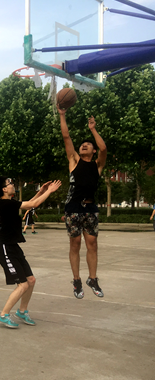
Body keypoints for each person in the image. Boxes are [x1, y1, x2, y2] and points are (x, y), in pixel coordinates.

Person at [0, 178, 62, 328]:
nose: (12, 185)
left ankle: (22, 311)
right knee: (22, 285)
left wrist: (41, 191)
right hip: (5, 249)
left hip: (14, 247)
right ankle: (3, 315)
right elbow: (33, 205)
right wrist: (49, 191)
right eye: (10, 184)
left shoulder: (9, 203)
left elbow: (29, 203)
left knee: (31, 280)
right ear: (4, 189)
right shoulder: (5, 204)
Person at [58, 106, 107, 299]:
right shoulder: (74, 160)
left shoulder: (97, 165)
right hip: (73, 207)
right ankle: (77, 280)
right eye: (82, 144)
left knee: (92, 243)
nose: (84, 145)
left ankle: (92, 279)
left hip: (90, 207)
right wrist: (62, 115)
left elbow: (104, 148)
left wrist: (93, 130)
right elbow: (66, 137)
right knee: (75, 243)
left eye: (88, 144)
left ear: (93, 151)